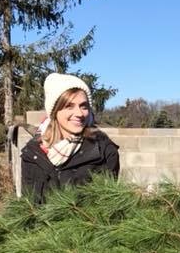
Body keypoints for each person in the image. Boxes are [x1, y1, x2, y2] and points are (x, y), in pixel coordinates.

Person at [21, 73, 119, 201]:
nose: (79, 113)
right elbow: (26, 208)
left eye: (84, 106)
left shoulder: (104, 151)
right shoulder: (32, 153)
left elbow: (107, 208)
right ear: (55, 111)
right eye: (69, 106)